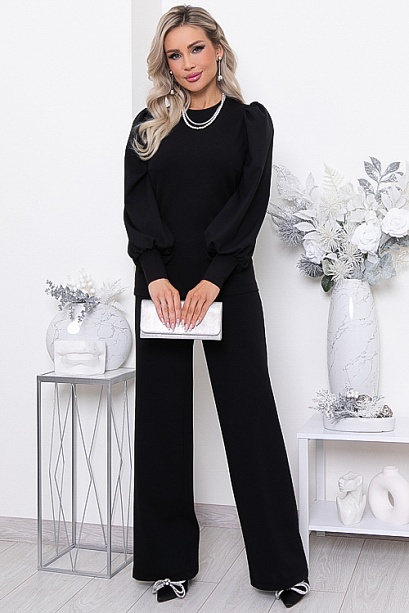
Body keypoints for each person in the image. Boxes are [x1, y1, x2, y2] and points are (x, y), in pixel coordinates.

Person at [124, 5, 309, 608]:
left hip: (226, 283)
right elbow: (137, 208)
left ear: (218, 49)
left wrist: (214, 278)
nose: (187, 64)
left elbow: (249, 203)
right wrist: (155, 276)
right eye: (174, 54)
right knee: (162, 424)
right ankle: (168, 564)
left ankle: (281, 568)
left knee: (250, 417)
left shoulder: (250, 123)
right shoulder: (148, 126)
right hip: (160, 291)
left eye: (196, 49)